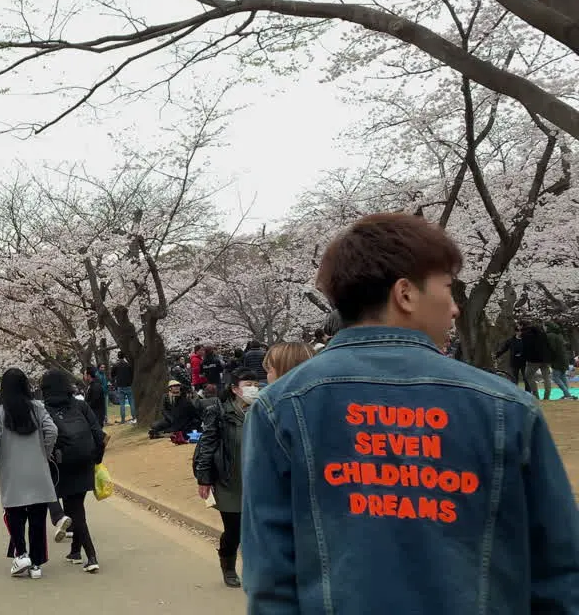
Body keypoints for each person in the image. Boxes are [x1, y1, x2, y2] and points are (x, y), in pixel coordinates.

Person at [243, 213, 579, 613]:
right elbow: (559, 569)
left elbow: (270, 579)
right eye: (448, 289)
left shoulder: (279, 406)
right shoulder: (506, 406)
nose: (455, 308)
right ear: (405, 294)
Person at [0, 368, 58, 580]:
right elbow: (52, 430)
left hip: (12, 473)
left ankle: (22, 555)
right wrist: (44, 452)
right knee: (37, 519)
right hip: (37, 471)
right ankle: (36, 565)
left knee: (15, 516)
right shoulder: (37, 407)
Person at [193, 367, 263, 588]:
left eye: (255, 385)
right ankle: (228, 566)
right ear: (234, 389)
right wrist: (204, 478)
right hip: (229, 481)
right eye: (247, 385)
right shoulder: (220, 412)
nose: (253, 389)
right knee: (234, 530)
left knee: (258, 529)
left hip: (258, 481)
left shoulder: (263, 410)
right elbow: (207, 445)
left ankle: (256, 570)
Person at [41, 369, 105, 573]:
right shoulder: (81, 405)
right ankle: (75, 551)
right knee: (76, 506)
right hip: (85, 461)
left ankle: (91, 556)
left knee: (75, 512)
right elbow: (98, 433)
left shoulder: (45, 410)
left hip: (60, 465)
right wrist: (97, 459)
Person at [521, 321, 554, 399]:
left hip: (533, 360)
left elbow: (525, 348)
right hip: (545, 359)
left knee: (528, 375)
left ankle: (535, 394)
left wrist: (524, 357)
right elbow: (548, 345)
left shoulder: (526, 335)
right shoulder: (543, 335)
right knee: (546, 377)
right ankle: (547, 396)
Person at [547, 325, 576, 400]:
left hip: (558, 360)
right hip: (564, 359)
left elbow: (552, 348)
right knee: (563, 377)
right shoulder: (560, 336)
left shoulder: (551, 336)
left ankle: (567, 394)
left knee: (555, 377)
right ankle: (567, 395)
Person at [111, 352, 136, 424]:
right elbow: (132, 375)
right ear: (124, 356)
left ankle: (123, 420)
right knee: (131, 403)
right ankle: (134, 418)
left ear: (118, 357)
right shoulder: (128, 365)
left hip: (120, 386)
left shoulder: (116, 365)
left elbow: (112, 375)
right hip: (128, 385)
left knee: (122, 404)